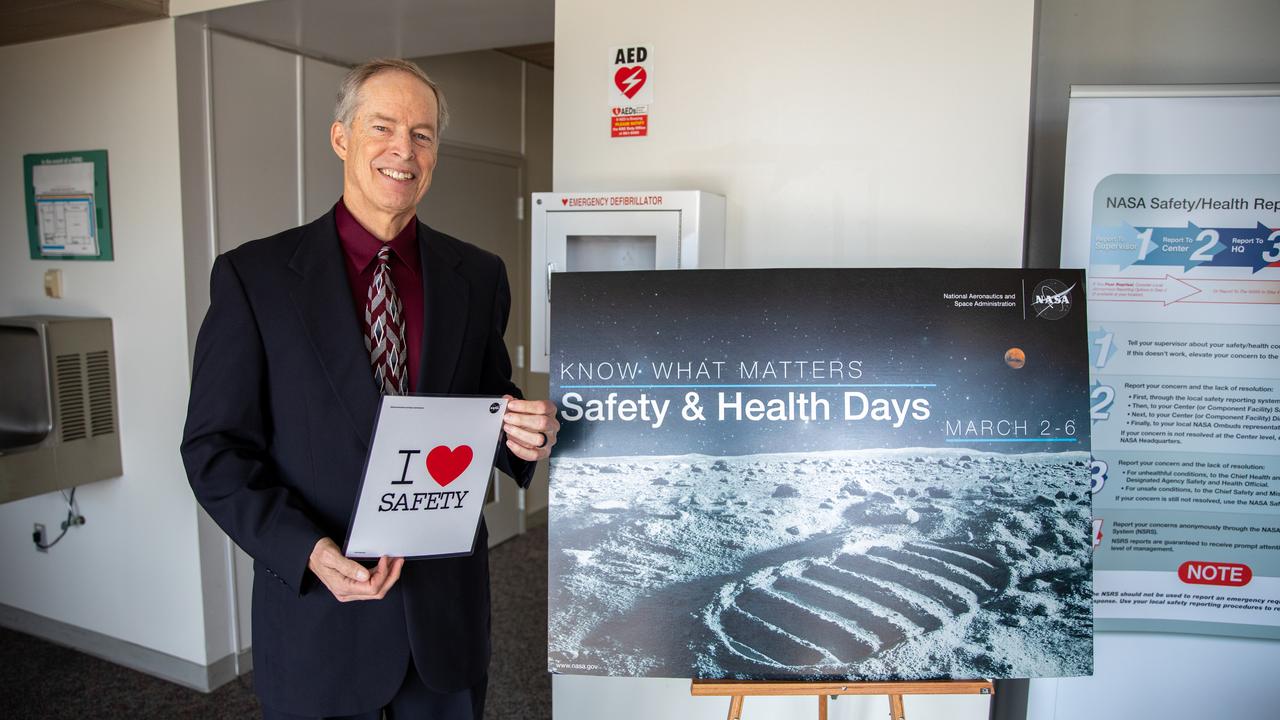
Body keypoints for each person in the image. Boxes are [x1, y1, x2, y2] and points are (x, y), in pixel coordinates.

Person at [180, 58, 558, 720]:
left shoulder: (477, 275)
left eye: (423, 134)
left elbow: (486, 399)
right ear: (340, 138)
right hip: (320, 621)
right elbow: (215, 449)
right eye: (382, 127)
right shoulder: (255, 278)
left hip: (443, 625)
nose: (402, 150)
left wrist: (522, 432)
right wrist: (307, 551)